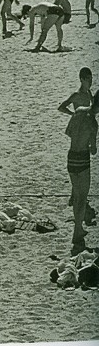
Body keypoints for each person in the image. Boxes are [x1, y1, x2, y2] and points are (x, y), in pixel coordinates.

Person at [65, 90, 98, 252]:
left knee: (77, 196)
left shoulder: (78, 111)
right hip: (83, 160)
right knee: (82, 197)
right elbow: (93, 150)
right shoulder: (93, 122)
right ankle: (77, 230)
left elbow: (69, 132)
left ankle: (78, 229)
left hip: (71, 157)